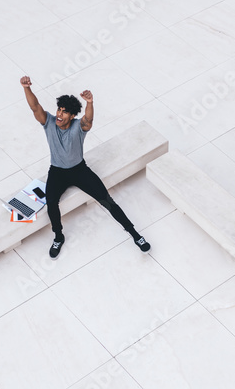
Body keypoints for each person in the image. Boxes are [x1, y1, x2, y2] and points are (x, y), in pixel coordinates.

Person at [20, 76, 151, 258]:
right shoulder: (49, 123)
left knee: (106, 200)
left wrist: (89, 102)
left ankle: (135, 234)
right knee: (51, 204)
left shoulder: (78, 127)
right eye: (59, 109)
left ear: (72, 116)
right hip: (57, 172)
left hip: (79, 171)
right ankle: (58, 236)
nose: (59, 114)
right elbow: (35, 107)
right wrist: (26, 88)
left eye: (65, 112)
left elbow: (88, 120)